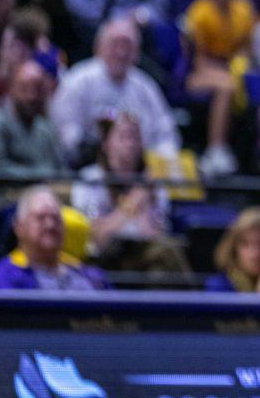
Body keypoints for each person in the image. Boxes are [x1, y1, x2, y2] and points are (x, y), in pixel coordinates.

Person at [69, 113, 190, 276]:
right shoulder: (90, 180)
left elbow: (155, 234)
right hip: (105, 255)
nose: (131, 144)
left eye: (135, 138)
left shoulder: (153, 185)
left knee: (165, 258)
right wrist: (137, 198)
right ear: (106, 144)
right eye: (123, 137)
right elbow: (97, 236)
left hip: (142, 252)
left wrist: (145, 200)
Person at [50, 18, 181, 163]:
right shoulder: (78, 81)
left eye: (128, 46)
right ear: (99, 47)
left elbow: (167, 134)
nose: (121, 52)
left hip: (141, 173)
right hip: (90, 170)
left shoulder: (146, 87)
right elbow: (66, 134)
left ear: (137, 52)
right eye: (115, 44)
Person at [184, 0, 256, 175]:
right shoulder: (200, 12)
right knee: (226, 86)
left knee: (248, 84)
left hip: (231, 67)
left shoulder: (244, 9)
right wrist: (228, 73)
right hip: (198, 72)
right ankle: (216, 149)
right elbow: (196, 59)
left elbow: (246, 48)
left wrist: (240, 65)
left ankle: (249, 156)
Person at [0, 185, 110, 290]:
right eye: (40, 218)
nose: (50, 225)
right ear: (19, 227)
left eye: (56, 218)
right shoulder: (3, 279)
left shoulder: (90, 276)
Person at [0, 60, 65, 191]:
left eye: (37, 89)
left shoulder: (46, 128)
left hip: (47, 198)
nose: (31, 96)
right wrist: (37, 178)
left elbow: (63, 172)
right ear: (11, 89)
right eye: (24, 88)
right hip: (3, 200)